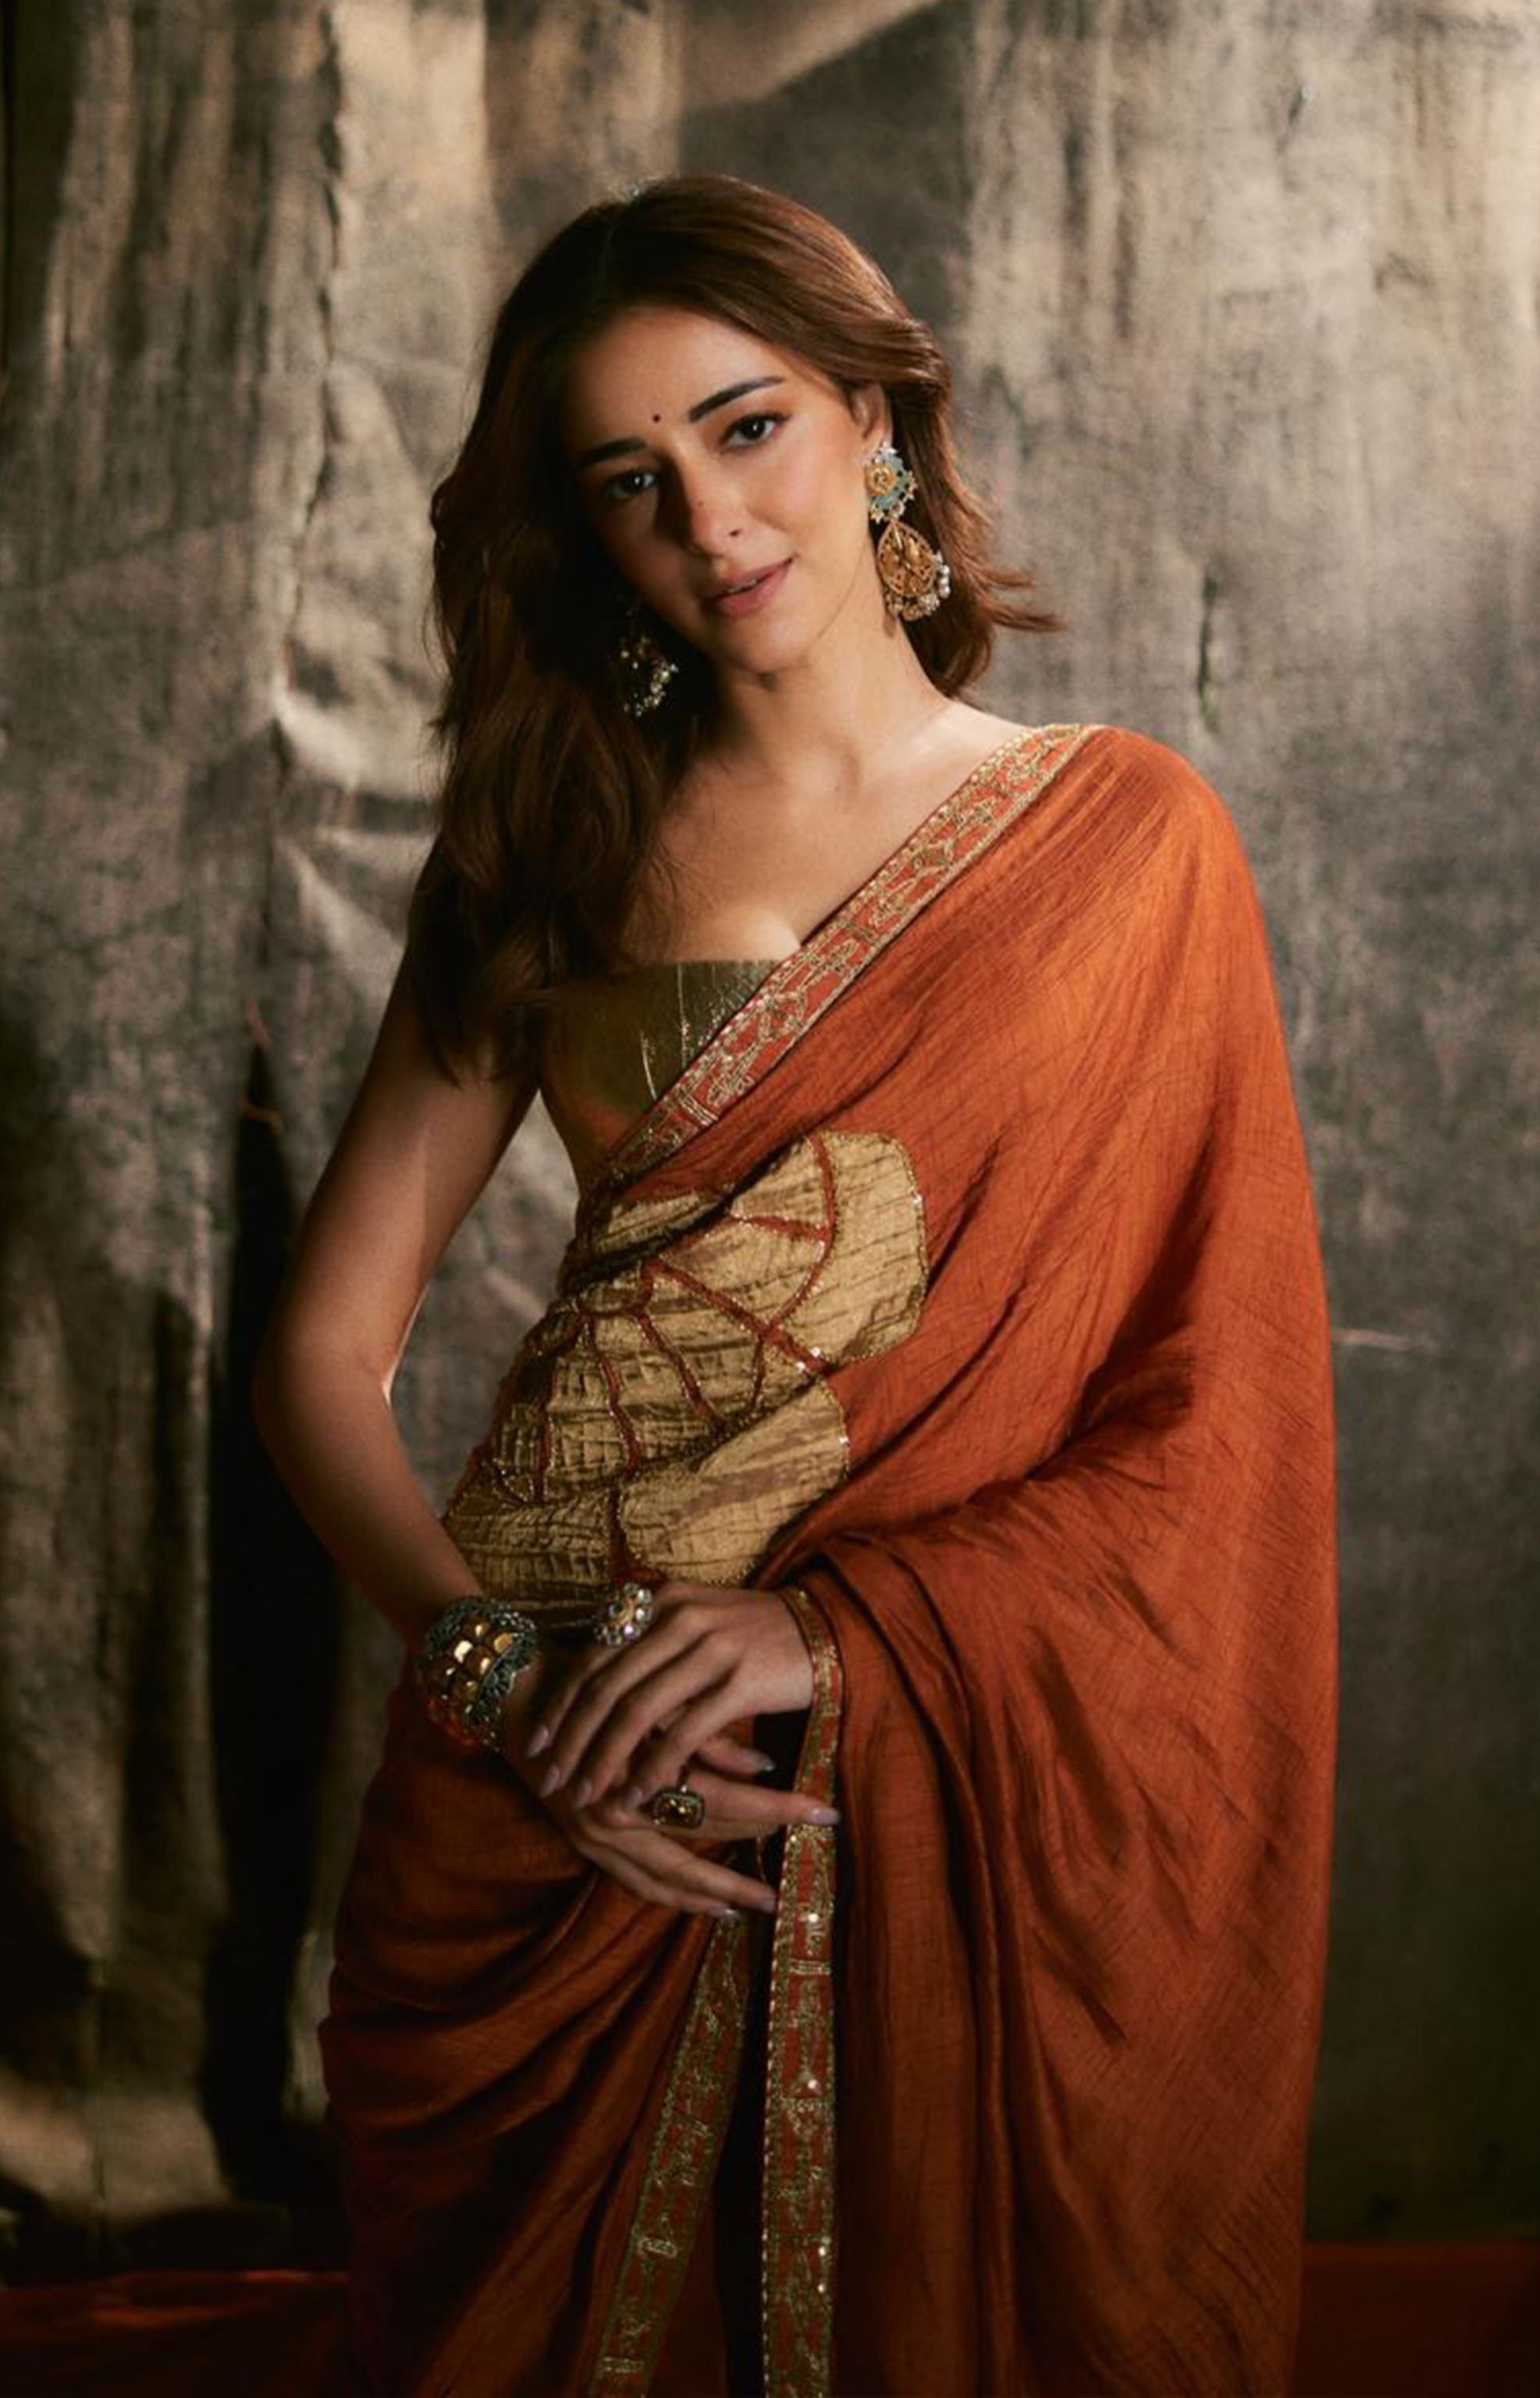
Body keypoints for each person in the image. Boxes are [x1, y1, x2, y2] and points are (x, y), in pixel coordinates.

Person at [252, 173, 1338, 2398]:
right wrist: (501, 1680)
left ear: (874, 421)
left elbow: (1207, 1416)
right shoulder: (547, 843)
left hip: (895, 1770)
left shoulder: (1124, 845)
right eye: (628, 480)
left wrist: (838, 1639)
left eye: (746, 428)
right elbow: (323, 1352)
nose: (710, 520)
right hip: (556, 1774)